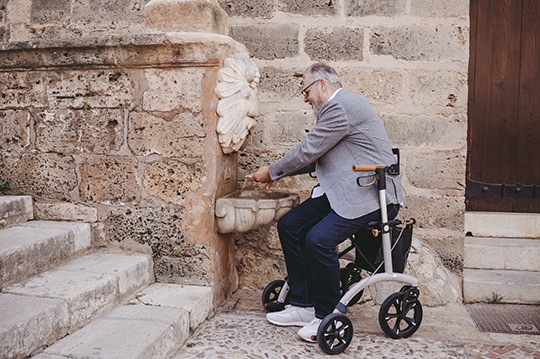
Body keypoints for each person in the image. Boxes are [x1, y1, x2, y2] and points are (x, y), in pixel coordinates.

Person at [245, 63, 403, 342]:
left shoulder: (339, 106)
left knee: (318, 239)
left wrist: (272, 171)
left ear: (322, 84)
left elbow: (309, 149)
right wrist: (276, 173)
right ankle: (303, 304)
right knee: (291, 225)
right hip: (347, 189)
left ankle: (326, 313)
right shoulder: (336, 109)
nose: (304, 98)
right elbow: (316, 157)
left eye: (305, 90)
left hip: (371, 194)